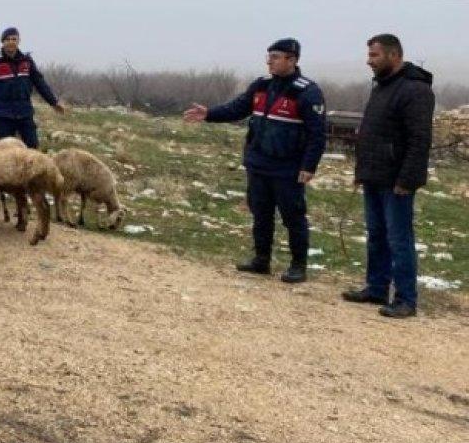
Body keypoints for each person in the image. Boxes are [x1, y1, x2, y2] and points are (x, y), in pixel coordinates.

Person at [184, 38, 326, 283]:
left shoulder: (307, 91)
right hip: (258, 162)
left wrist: (309, 166)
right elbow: (237, 108)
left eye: (275, 57)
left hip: (288, 167)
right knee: (260, 213)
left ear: (292, 60)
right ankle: (261, 260)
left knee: (293, 217)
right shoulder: (261, 86)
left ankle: (298, 265)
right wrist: (209, 114)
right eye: (268, 56)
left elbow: (317, 133)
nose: (269, 61)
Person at [342, 34, 434, 319]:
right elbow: (372, 133)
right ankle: (377, 288)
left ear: (394, 55)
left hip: (397, 181)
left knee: (399, 239)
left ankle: (406, 299)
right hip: (374, 176)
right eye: (369, 55)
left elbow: (420, 141)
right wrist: (361, 172)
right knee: (376, 235)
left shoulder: (415, 90)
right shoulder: (381, 87)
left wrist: (407, 180)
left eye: (374, 55)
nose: (369, 61)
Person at [0, 27, 65, 148]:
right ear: (3, 42)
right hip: (3, 114)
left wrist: (53, 102)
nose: (11, 42)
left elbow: (39, 82)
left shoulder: (26, 61)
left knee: (32, 147)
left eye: (14, 39)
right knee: (6, 150)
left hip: (24, 112)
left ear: (18, 41)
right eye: (8, 39)